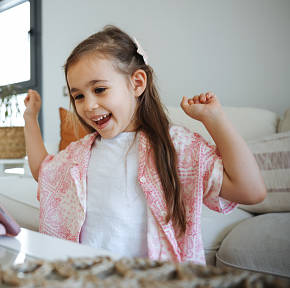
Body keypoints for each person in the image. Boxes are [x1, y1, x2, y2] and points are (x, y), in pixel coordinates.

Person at [23, 25, 266, 264]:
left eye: (99, 89)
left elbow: (251, 190)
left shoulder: (175, 146)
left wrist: (214, 120)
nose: (88, 105)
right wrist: (30, 118)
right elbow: (43, 170)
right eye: (79, 96)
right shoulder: (80, 153)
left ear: (138, 83)